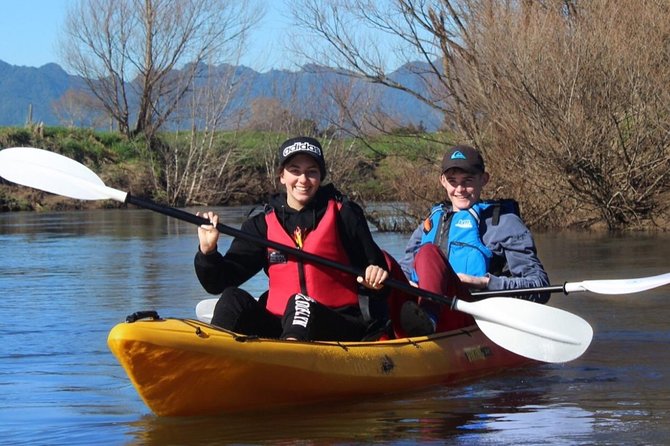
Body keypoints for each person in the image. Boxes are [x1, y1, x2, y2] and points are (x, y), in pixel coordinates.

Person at [194, 136, 391, 342]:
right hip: (280, 324)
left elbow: (380, 278)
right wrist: (208, 253)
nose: (303, 180)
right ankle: (212, 356)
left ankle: (290, 356)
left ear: (321, 177)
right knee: (232, 297)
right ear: (282, 176)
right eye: (295, 170)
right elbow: (219, 283)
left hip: (338, 323)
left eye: (311, 172)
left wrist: (376, 279)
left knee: (300, 302)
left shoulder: (345, 215)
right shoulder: (262, 223)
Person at [399, 144, 550, 336]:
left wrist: (483, 282)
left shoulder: (504, 223)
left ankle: (429, 319)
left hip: (473, 312)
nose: (460, 189)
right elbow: (403, 271)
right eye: (453, 181)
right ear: (442, 181)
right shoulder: (429, 224)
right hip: (421, 306)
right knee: (382, 262)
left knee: (429, 253)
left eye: (468, 180)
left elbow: (540, 286)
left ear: (483, 179)